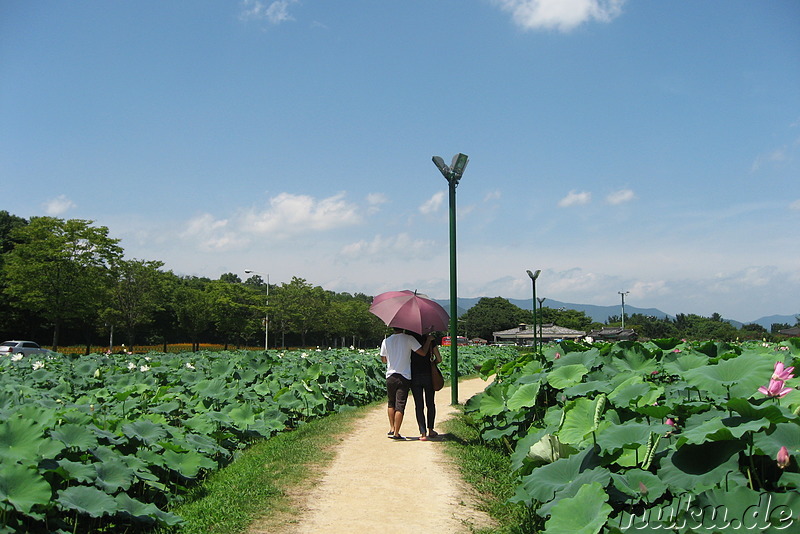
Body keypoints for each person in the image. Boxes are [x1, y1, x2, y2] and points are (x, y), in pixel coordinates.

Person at [380, 327, 432, 440]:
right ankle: (396, 433)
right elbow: (422, 353)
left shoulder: (386, 340)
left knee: (391, 403)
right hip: (404, 376)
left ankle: (392, 428)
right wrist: (428, 341)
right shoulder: (409, 339)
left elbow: (383, 359)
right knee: (400, 405)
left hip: (390, 375)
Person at [410, 333, 442, 441]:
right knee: (430, 403)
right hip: (429, 375)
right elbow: (439, 358)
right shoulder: (431, 340)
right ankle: (431, 430)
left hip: (414, 376)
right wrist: (432, 364)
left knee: (419, 405)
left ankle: (422, 433)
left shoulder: (410, 338)